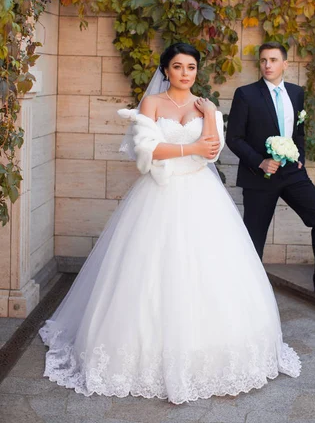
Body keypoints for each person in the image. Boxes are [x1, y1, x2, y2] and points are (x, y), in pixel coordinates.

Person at [38, 42, 301, 404]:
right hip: (158, 192)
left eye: (191, 67)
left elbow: (213, 148)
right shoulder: (153, 104)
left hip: (199, 192)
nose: (185, 73)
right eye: (178, 66)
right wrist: (190, 149)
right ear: (166, 70)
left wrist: (209, 114)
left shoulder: (204, 105)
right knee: (148, 269)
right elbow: (146, 151)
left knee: (208, 268)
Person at [226, 41, 315, 299]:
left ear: (285, 64)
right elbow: (234, 138)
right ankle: (245, 294)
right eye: (263, 60)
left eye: (273, 60)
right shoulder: (246, 94)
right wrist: (260, 162)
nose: (267, 65)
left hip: (292, 174)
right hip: (260, 176)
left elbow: (299, 131)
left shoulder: (296, 93)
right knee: (254, 237)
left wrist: (300, 158)